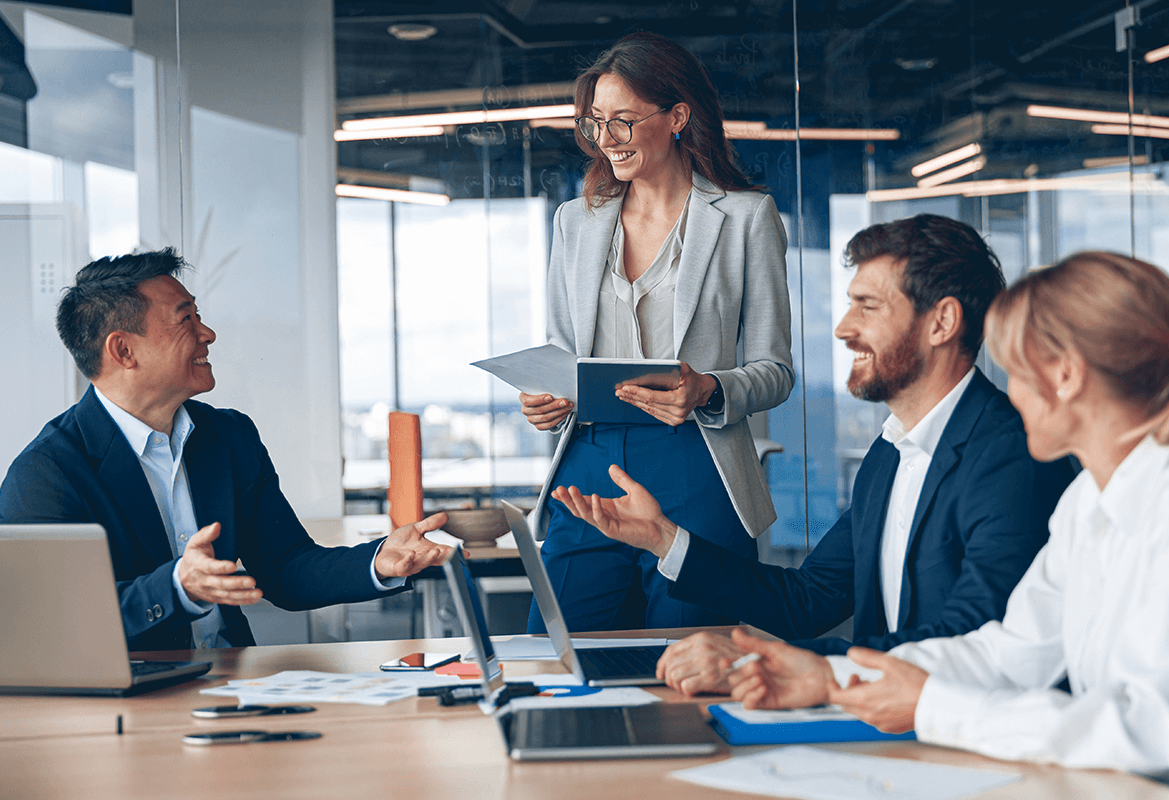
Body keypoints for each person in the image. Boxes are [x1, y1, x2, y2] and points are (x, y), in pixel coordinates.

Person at [726, 252, 1169, 800]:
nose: (1008, 393)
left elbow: (1151, 733)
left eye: (1014, 372)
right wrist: (834, 678)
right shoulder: (1089, 499)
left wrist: (931, 705)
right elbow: (1011, 653)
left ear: (1065, 375)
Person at [552, 213, 1076, 693]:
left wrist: (759, 664)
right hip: (882, 723)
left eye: (867, 307)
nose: (844, 328)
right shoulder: (891, 453)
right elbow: (807, 601)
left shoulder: (1012, 457)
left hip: (962, 740)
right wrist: (663, 538)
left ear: (942, 322)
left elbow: (970, 638)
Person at [0, 250, 456, 651]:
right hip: (132, 699)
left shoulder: (230, 436)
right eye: (186, 320)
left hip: (232, 683)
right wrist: (177, 588)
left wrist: (376, 562)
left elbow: (284, 567)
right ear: (123, 350)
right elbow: (55, 622)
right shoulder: (46, 472)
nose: (208, 333)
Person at [519, 31, 794, 633]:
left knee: (692, 656)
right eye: (595, 122)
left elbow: (774, 370)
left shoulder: (746, 217)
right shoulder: (576, 221)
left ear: (677, 117)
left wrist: (709, 389)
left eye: (623, 121)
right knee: (560, 651)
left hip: (698, 458)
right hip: (589, 460)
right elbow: (562, 352)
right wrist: (547, 397)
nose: (606, 140)